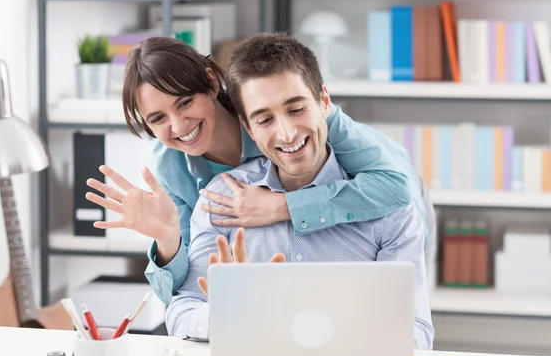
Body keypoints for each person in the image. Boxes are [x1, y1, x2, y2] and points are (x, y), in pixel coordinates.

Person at [84, 36, 430, 306]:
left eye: (186, 102)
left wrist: (282, 207)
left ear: (211, 82)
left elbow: (395, 192)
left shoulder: (296, 117)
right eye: (158, 119)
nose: (178, 126)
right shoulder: (170, 165)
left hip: (385, 213)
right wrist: (167, 240)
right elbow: (186, 287)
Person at [165, 32, 434, 349]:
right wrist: (225, 315)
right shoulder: (222, 199)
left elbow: (415, 332)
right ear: (248, 127)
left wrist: (351, 333)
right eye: (264, 119)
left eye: (296, 109)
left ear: (323, 100)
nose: (287, 133)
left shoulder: (389, 206)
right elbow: (182, 311)